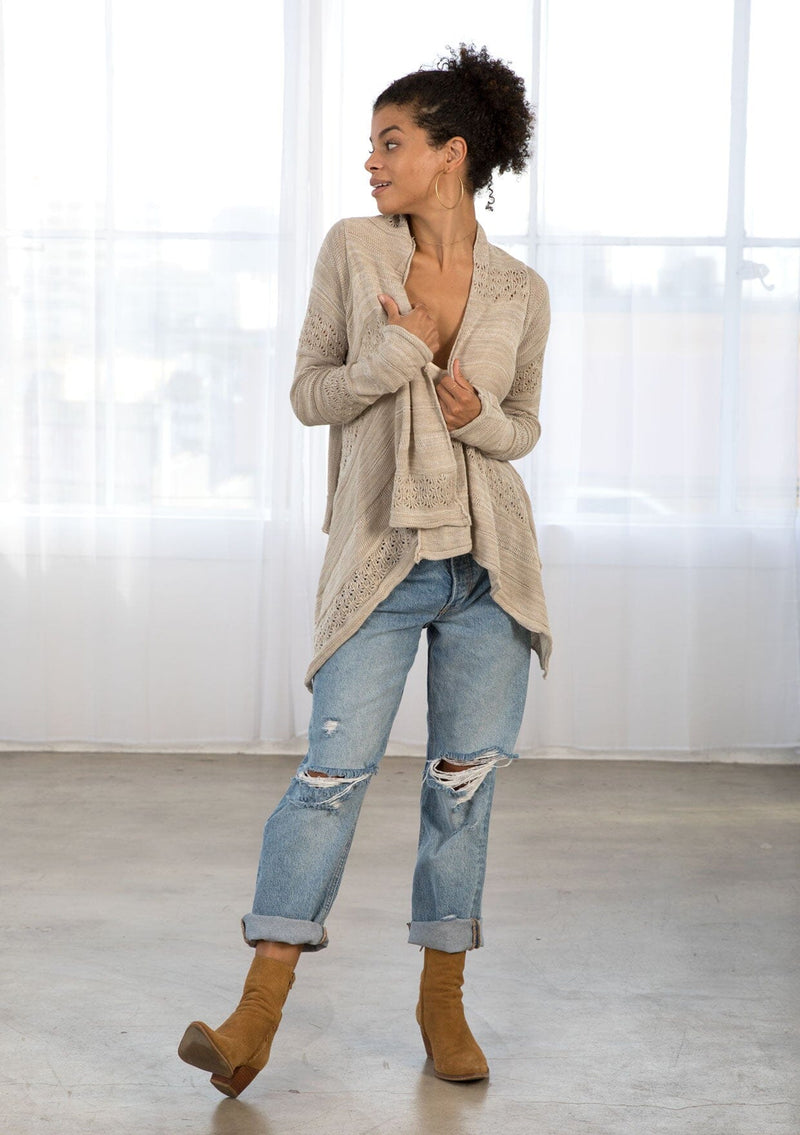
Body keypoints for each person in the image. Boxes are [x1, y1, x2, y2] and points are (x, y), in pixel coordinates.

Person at [178, 42, 551, 1098]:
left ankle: (442, 1003)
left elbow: (524, 426)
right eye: (370, 144)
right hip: (382, 558)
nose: (372, 161)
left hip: (487, 569)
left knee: (460, 791)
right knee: (329, 778)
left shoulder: (522, 290)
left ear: (451, 153)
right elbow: (310, 394)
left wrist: (478, 417)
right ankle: (254, 1016)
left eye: (391, 142)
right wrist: (395, 356)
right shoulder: (353, 250)